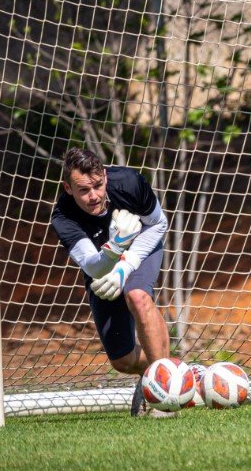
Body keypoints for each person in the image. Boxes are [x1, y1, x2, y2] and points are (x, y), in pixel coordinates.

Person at [50, 147, 173, 417]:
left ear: (105, 176)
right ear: (68, 188)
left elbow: (158, 224)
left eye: (98, 185)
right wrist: (115, 248)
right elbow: (92, 265)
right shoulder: (63, 217)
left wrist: (126, 266)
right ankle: (174, 371)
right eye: (84, 190)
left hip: (142, 245)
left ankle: (164, 395)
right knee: (122, 360)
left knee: (137, 296)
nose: (93, 196)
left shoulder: (129, 183)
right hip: (102, 265)